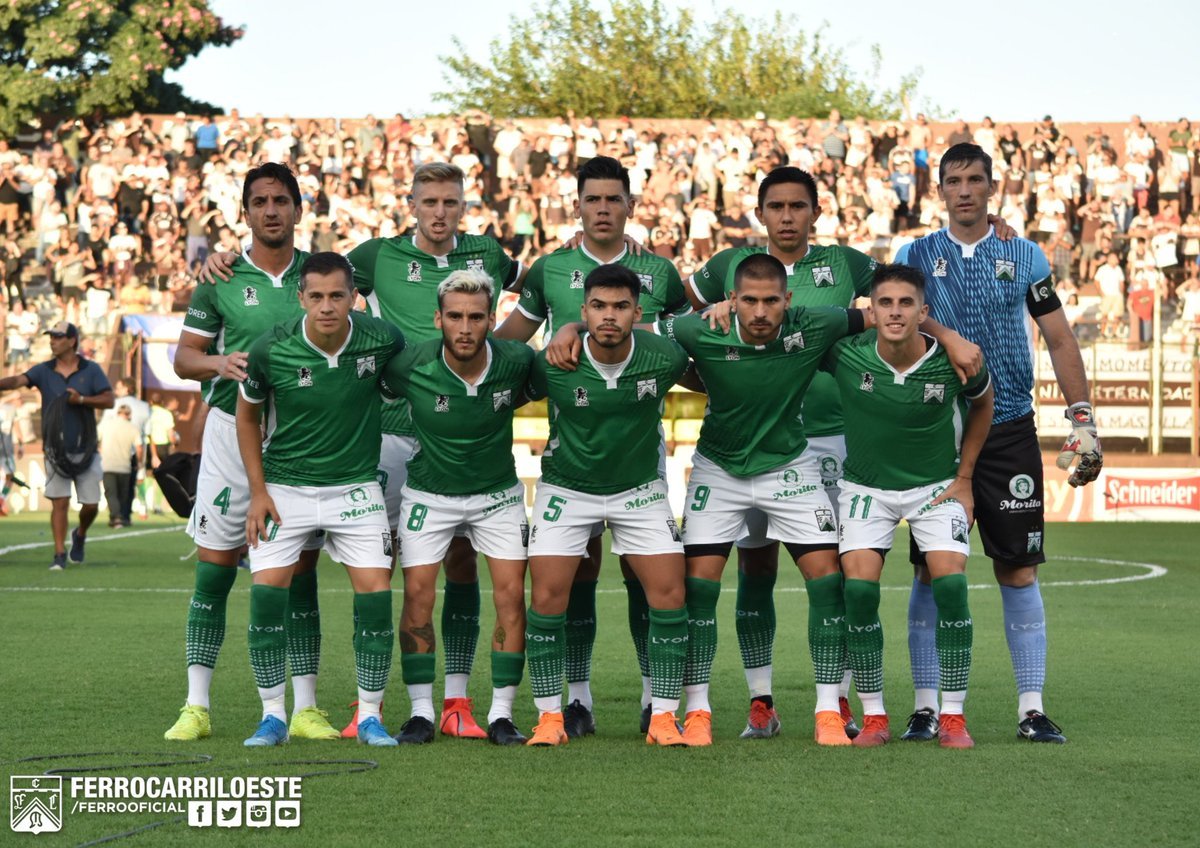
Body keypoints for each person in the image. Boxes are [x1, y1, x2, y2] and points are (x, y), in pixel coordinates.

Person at [679, 166, 983, 741]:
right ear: (760, 212)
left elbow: (893, 308)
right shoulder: (727, 265)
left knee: (843, 576)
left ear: (815, 211)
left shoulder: (846, 262)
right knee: (756, 570)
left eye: (798, 206)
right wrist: (716, 344)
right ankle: (760, 702)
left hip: (842, 438)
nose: (787, 216)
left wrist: (947, 335)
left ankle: (840, 700)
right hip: (757, 443)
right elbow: (674, 315)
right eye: (776, 206)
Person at [897, 143, 1102, 744]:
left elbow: (1060, 339)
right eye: (953, 180)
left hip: (1010, 427)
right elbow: (891, 312)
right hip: (936, 431)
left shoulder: (1023, 253)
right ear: (939, 191)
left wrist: (1082, 419)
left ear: (993, 187)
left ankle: (1031, 708)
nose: (964, 189)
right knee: (933, 574)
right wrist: (944, 333)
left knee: (1017, 571)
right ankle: (927, 707)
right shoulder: (914, 254)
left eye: (975, 180)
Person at [497, 154, 692, 736]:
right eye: (593, 199)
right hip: (572, 451)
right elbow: (508, 344)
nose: (603, 209)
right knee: (572, 579)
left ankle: (655, 699)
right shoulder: (549, 270)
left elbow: (687, 337)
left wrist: (580, 327)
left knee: (646, 579)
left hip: (639, 449)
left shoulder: (661, 273)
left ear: (630, 205)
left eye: (614, 199)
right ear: (576, 205)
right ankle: (573, 699)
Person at [656, 254, 866, 746]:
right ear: (732, 300)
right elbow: (638, 329)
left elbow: (878, 313)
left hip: (790, 468)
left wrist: (952, 338)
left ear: (788, 300)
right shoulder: (697, 330)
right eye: (748, 300)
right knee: (699, 590)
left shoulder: (816, 323)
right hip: (719, 471)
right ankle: (701, 710)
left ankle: (827, 710)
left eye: (771, 300)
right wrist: (573, 325)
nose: (759, 311)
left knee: (827, 583)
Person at [166, 163, 333, 743]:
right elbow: (183, 359)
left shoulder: (321, 275)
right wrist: (220, 362)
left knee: (299, 572)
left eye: (281, 200)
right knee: (214, 573)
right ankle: (196, 705)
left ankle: (307, 707)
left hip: (300, 438)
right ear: (245, 212)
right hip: (228, 438)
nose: (270, 210)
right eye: (259, 201)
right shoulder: (220, 276)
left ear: (298, 209)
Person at [237, 251, 405, 747]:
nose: (327, 306)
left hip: (355, 488)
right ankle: (273, 716)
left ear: (354, 297)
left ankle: (370, 716)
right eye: (317, 296)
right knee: (267, 597)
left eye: (338, 296)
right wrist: (258, 492)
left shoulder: (382, 338)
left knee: (375, 596)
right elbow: (247, 418)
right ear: (301, 297)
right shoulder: (272, 348)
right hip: (285, 489)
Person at [823, 263, 993, 749]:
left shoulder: (956, 360)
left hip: (935, 486)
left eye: (905, 303)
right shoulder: (845, 354)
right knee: (858, 593)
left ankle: (953, 716)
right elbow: (790, 333)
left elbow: (985, 405)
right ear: (870, 311)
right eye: (885, 303)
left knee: (952, 585)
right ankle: (874, 715)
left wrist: (965, 478)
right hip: (866, 488)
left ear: (924, 311)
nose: (895, 312)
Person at [523, 264, 690, 747]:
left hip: (639, 488)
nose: (609, 316)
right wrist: (564, 332)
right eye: (598, 307)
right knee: (548, 599)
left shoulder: (664, 356)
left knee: (669, 596)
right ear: (584, 311)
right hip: (566, 489)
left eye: (620, 307)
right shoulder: (551, 360)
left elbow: (713, 358)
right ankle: (551, 718)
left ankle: (662, 717)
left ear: (638, 313)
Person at [378, 269, 534, 746]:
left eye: (475, 317)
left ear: (492, 319)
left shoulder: (518, 361)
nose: (465, 328)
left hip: (498, 496)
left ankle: (502, 714)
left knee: (510, 598)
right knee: (419, 597)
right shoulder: (409, 365)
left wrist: (568, 330)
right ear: (438, 319)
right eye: (455, 317)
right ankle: (423, 712)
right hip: (428, 494)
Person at [0, 321, 113, 570]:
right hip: (55, 449)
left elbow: (109, 400)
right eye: (51, 337)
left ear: (72, 341)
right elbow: (18, 380)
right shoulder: (43, 370)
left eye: (58, 337)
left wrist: (81, 399)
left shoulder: (91, 370)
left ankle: (80, 533)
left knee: (91, 505)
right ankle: (59, 553)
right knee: (59, 502)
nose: (52, 341)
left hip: (86, 449)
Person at [97, 404, 141, 527]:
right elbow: (139, 447)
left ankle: (115, 517)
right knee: (123, 494)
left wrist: (99, 450)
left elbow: (95, 438)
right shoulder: (133, 428)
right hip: (125, 466)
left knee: (111, 493)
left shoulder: (106, 425)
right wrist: (140, 463)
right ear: (129, 414)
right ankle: (121, 517)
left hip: (108, 465)